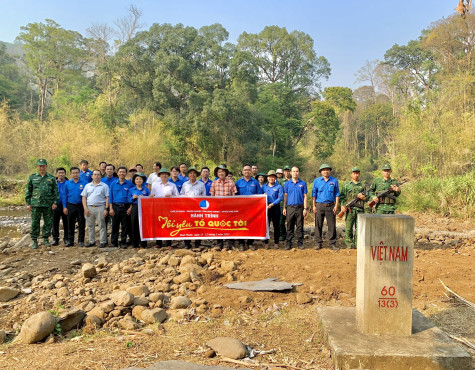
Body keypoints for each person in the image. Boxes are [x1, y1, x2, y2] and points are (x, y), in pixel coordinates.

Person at [25, 159, 59, 249]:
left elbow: (55, 192)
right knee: (35, 223)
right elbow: (28, 191)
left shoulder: (51, 178)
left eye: (43, 166)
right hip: (35, 204)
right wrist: (28, 203)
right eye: (40, 166)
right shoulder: (32, 177)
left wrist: (55, 202)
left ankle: (46, 239)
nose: (42, 168)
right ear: (37, 167)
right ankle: (34, 240)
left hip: (48, 205)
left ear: (46, 166)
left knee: (48, 222)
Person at [235, 164, 264, 251]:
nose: (247, 171)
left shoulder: (255, 182)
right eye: (245, 170)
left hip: (253, 209)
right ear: (242, 171)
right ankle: (241, 243)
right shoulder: (238, 182)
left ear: (251, 171)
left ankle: (250, 243)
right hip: (241, 208)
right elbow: (234, 196)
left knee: (252, 225)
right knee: (241, 225)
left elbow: (260, 195)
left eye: (248, 170)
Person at [312, 164, 340, 250]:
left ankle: (332, 243)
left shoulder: (334, 181)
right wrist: (313, 206)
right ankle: (318, 243)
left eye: (327, 170)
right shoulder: (316, 181)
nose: (325, 171)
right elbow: (314, 194)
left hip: (331, 206)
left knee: (331, 225)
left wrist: (336, 206)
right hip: (319, 205)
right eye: (323, 170)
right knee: (318, 225)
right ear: (320, 172)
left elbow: (337, 194)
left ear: (329, 171)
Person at [210, 165, 237, 250]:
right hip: (218, 208)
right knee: (218, 225)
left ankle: (231, 243)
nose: (221, 173)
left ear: (225, 173)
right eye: (219, 172)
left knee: (230, 225)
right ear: (217, 174)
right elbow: (212, 196)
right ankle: (219, 243)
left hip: (229, 208)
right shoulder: (214, 183)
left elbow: (234, 195)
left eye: (222, 171)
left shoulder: (231, 182)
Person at [340, 167, 366, 249]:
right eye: (354, 173)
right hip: (349, 210)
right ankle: (349, 245)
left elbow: (367, 198)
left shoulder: (363, 185)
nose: (356, 175)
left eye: (357, 173)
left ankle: (358, 244)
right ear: (351, 174)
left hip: (360, 210)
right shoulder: (346, 185)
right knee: (348, 228)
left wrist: (363, 197)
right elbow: (342, 197)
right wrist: (342, 205)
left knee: (359, 228)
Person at [81, 170, 109, 248]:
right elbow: (84, 197)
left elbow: (107, 198)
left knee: (102, 225)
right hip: (89, 207)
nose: (96, 176)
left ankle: (103, 241)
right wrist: (85, 208)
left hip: (100, 207)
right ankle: (91, 241)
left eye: (98, 174)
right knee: (90, 225)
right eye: (95, 174)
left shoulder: (104, 186)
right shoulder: (87, 186)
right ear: (92, 176)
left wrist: (106, 209)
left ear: (100, 176)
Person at [151, 168, 178, 248]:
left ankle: (168, 243)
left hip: (169, 208)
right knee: (159, 224)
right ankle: (158, 243)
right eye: (162, 174)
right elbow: (152, 195)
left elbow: (177, 196)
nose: (164, 175)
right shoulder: (155, 185)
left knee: (168, 224)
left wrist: (171, 196)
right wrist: (151, 196)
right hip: (158, 207)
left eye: (166, 174)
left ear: (168, 175)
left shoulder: (172, 185)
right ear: (160, 176)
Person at [180, 167, 206, 249]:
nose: (192, 175)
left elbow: (204, 197)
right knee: (187, 225)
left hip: (198, 209)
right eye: (190, 173)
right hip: (187, 209)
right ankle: (187, 243)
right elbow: (181, 195)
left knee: (198, 225)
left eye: (194, 173)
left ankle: (198, 243)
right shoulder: (185, 184)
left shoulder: (201, 184)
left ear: (196, 175)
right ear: (188, 175)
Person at [283, 166, 308, 250]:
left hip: (300, 208)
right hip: (290, 207)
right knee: (289, 226)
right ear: (290, 172)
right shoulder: (287, 184)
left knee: (300, 227)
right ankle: (288, 243)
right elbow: (285, 196)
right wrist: (284, 208)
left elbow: (305, 196)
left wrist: (305, 208)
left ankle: (300, 243)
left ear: (299, 173)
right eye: (293, 171)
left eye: (297, 171)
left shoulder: (303, 183)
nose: (295, 173)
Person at [62, 167, 87, 247]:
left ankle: (81, 240)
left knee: (81, 223)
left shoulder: (85, 183)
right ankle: (70, 240)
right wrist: (64, 207)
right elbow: (64, 196)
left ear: (79, 173)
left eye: (77, 172)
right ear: (70, 174)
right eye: (73, 173)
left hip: (81, 205)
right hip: (70, 205)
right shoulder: (67, 183)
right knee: (70, 223)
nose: (75, 174)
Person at [109, 167, 132, 248]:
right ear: (117, 173)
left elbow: (132, 197)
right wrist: (111, 208)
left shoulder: (130, 184)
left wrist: (130, 208)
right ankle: (114, 242)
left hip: (126, 207)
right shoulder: (113, 184)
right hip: (115, 207)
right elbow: (110, 197)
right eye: (120, 172)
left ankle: (123, 242)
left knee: (125, 226)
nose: (122, 173)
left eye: (123, 172)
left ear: (126, 173)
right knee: (115, 225)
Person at [128, 172, 150, 249]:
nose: (138, 180)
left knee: (143, 225)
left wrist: (145, 197)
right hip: (135, 207)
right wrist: (133, 198)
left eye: (140, 179)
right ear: (134, 181)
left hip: (144, 208)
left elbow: (149, 199)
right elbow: (128, 200)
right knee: (134, 225)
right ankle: (135, 244)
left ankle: (143, 244)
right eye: (137, 179)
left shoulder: (146, 189)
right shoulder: (131, 190)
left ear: (143, 180)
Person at [262, 170, 283, 249]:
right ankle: (266, 242)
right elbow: (260, 196)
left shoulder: (279, 187)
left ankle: (276, 243)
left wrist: (272, 204)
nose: (271, 178)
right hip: (266, 208)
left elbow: (280, 197)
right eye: (270, 177)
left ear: (275, 178)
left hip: (275, 207)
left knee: (276, 226)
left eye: (273, 177)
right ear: (267, 178)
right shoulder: (264, 187)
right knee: (266, 226)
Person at [52, 167, 69, 246]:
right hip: (56, 205)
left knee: (67, 222)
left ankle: (66, 238)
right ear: (57, 174)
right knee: (55, 222)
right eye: (59, 173)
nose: (61, 174)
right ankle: (55, 238)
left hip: (66, 205)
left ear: (65, 174)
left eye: (62, 173)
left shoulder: (68, 183)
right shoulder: (53, 183)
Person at [278, 165, 291, 242]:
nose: (287, 172)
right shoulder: (280, 181)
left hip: (291, 203)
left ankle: (290, 236)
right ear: (283, 172)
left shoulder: (293, 180)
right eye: (285, 171)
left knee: (290, 221)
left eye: (288, 171)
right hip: (282, 203)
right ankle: (282, 235)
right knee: (281, 221)